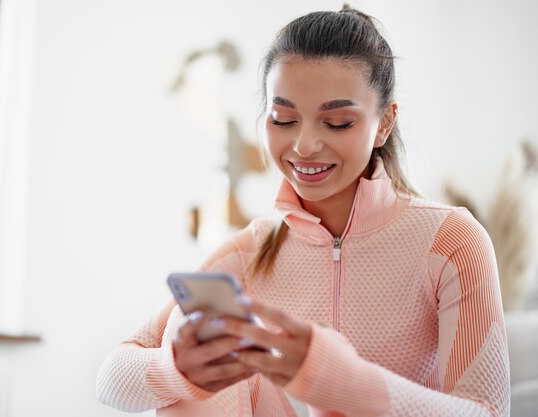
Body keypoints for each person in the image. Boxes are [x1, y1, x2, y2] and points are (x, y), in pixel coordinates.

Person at [96, 5, 510, 417]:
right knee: (185, 332)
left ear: (384, 122)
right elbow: (112, 378)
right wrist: (177, 371)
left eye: (337, 123)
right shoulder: (248, 254)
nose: (304, 145)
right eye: (284, 118)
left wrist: (343, 383)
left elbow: (487, 411)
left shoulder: (451, 240)